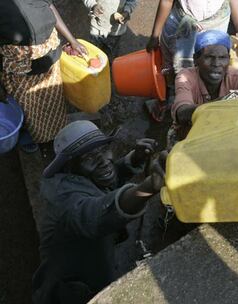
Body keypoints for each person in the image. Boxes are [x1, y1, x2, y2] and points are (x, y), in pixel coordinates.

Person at [32, 120, 165, 304]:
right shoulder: (66, 203)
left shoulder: (85, 176)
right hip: (72, 287)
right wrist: (150, 186)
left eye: (104, 150)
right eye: (89, 158)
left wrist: (134, 159)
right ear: (70, 168)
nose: (104, 160)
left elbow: (109, 178)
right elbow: (99, 215)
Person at [0, 0, 87, 149]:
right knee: (27, 109)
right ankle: (30, 137)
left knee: (53, 100)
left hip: (49, 58)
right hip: (19, 71)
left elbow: (49, 6)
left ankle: (53, 131)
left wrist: (72, 40)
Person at [146, 0, 238, 75]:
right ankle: (170, 90)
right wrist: (155, 36)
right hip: (180, 22)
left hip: (215, 26)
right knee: (170, 64)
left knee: (207, 67)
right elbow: (167, 1)